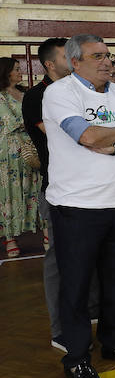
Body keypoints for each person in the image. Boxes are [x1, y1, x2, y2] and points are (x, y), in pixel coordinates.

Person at [43, 34, 115, 378]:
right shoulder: (60, 93)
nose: (107, 62)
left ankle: (113, 341)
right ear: (75, 62)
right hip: (76, 206)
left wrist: (113, 142)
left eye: (109, 55)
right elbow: (87, 137)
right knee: (75, 286)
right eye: (97, 56)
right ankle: (76, 358)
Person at [22, 39, 89, 350]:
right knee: (59, 259)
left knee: (93, 254)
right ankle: (60, 328)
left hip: (91, 185)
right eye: (66, 54)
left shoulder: (82, 89)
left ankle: (93, 312)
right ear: (49, 63)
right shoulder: (37, 95)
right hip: (60, 187)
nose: (73, 57)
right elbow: (75, 135)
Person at [0, 57, 41, 259]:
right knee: (11, 192)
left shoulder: (26, 93)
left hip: (32, 146)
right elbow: (12, 122)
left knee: (36, 186)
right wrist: (35, 121)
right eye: (16, 69)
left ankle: (46, 233)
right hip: (10, 151)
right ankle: (10, 238)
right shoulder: (0, 96)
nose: (21, 72)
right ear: (6, 72)